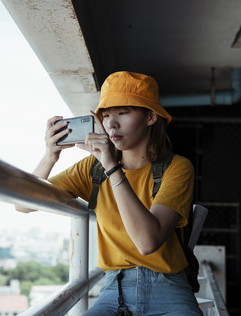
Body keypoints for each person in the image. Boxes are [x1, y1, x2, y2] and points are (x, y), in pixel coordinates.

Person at [17, 71, 202, 315]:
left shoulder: (177, 167)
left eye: (123, 113)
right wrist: (49, 156)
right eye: (106, 115)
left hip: (169, 289)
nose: (112, 124)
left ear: (150, 117)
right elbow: (23, 204)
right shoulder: (92, 168)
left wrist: (112, 167)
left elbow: (147, 242)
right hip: (115, 289)